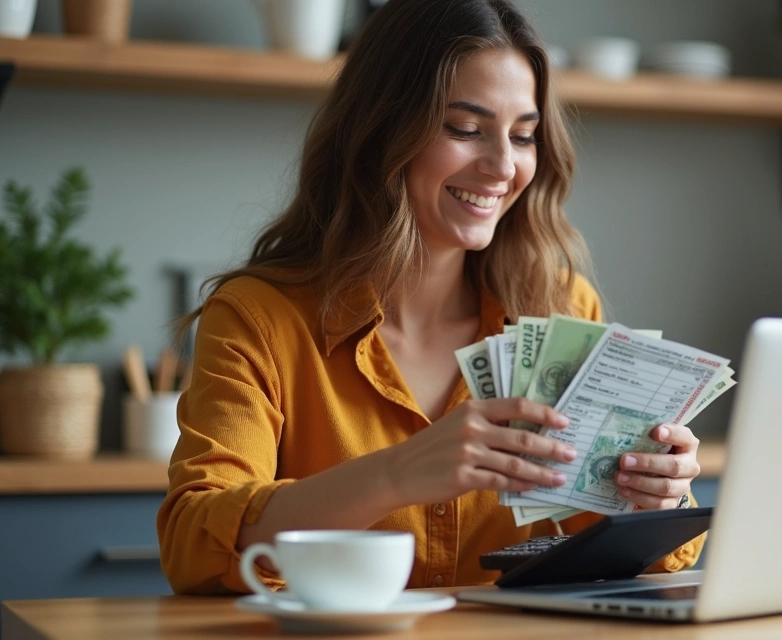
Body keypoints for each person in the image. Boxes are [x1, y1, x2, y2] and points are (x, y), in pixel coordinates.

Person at [157, 0, 705, 594]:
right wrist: (396, 474)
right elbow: (194, 544)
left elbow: (628, 553)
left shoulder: (562, 308)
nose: (502, 166)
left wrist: (656, 498)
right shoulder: (259, 317)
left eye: (523, 136)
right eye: (465, 129)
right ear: (382, 130)